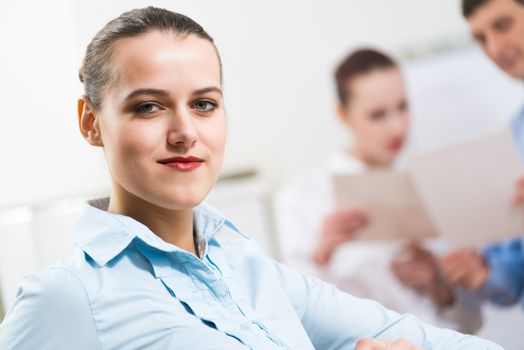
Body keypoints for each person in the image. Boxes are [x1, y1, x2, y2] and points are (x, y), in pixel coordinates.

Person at [0, 7, 501, 350]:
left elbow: (422, 336)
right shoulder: (65, 298)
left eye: (203, 104)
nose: (184, 133)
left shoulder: (248, 268)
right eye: (149, 106)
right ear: (91, 122)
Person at [274, 49, 482, 333]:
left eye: (403, 107)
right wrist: (321, 257)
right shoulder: (303, 198)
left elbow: (471, 322)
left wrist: (437, 282)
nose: (397, 126)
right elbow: (298, 321)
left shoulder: (429, 183)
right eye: (377, 115)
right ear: (344, 115)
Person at [440, 0, 524, 307]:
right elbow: (516, 265)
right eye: (480, 38)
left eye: (503, 25)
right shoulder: (517, 134)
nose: (495, 48)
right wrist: (486, 274)